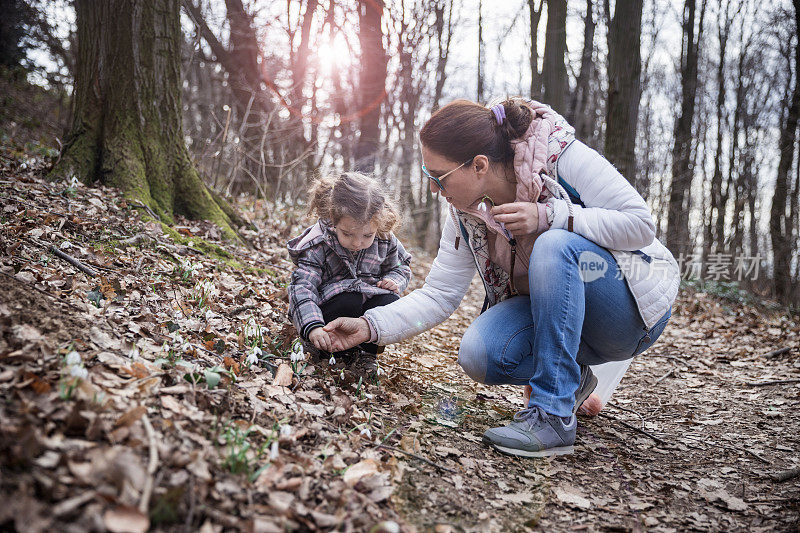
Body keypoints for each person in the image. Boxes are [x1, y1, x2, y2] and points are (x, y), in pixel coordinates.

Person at [323, 98, 680, 457]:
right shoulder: (465, 214)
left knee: (554, 245)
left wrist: (550, 216)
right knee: (481, 354)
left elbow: (640, 225)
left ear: (479, 165)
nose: (433, 188)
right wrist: (370, 326)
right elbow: (439, 294)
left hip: (629, 312)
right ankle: (571, 378)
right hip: (567, 321)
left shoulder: (560, 155)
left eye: (438, 177)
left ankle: (553, 414)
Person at [287, 172, 412, 371]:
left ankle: (366, 354)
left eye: (366, 235)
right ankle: (324, 349)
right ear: (333, 218)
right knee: (349, 299)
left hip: (367, 307)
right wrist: (313, 326)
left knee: (389, 302)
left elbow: (401, 266)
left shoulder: (384, 238)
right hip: (329, 311)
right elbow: (302, 287)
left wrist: (394, 279)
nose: (357, 242)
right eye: (347, 234)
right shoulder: (319, 243)